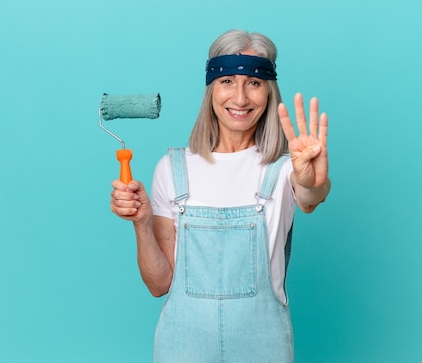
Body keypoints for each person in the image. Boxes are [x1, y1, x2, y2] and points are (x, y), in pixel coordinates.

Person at [110, 29, 330, 362]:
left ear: (269, 92)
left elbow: (312, 194)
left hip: (262, 345)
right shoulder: (173, 168)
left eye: (254, 83)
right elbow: (159, 284)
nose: (240, 98)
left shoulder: (285, 169)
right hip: (183, 346)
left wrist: (313, 180)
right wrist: (141, 222)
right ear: (211, 89)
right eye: (227, 80)